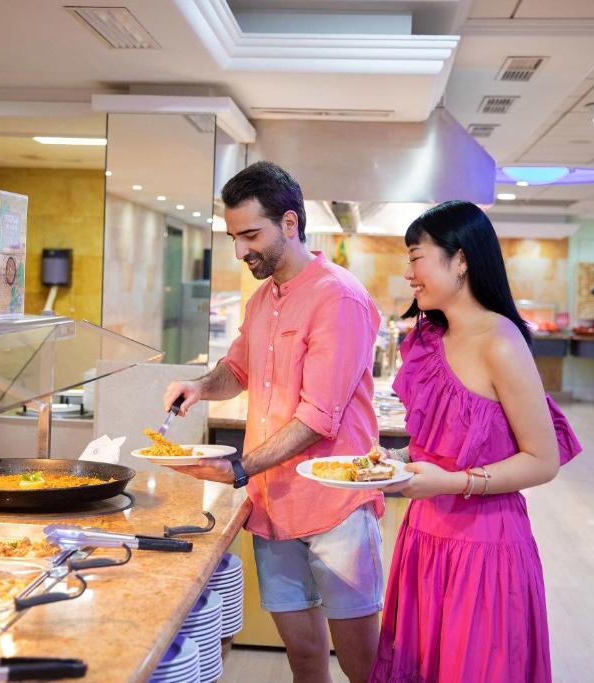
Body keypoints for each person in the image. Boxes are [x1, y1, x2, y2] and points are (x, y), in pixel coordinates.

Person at [164, 161, 383, 683]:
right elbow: (237, 369)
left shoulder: (339, 297)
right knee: (303, 656)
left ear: (289, 223)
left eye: (250, 235)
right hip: (274, 505)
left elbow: (319, 416)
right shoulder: (264, 299)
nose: (240, 251)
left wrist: (240, 467)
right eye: (233, 238)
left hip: (336, 507)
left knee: (364, 666)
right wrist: (200, 387)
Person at [370, 200, 582, 683]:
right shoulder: (430, 339)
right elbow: (440, 445)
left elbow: (542, 460)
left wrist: (451, 482)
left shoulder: (500, 342)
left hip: (484, 549)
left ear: (461, 259)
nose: (408, 274)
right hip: (424, 539)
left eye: (416, 257)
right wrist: (394, 460)